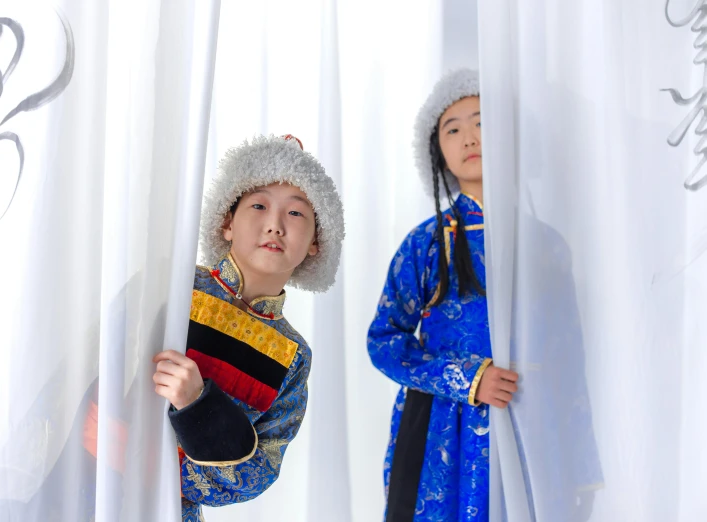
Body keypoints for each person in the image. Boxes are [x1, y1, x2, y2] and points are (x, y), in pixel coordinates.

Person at [152, 134, 345, 521]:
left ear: (315, 243)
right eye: (258, 205)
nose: (274, 225)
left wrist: (197, 406)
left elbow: (258, 472)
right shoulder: (173, 286)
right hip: (89, 483)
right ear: (227, 222)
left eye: (296, 213)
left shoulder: (293, 355)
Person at [367, 69, 518, 522]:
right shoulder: (427, 244)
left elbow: (570, 346)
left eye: (480, 121)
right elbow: (384, 339)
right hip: (439, 425)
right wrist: (468, 377)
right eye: (452, 129)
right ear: (439, 153)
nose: (469, 137)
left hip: (524, 414)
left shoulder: (545, 243)